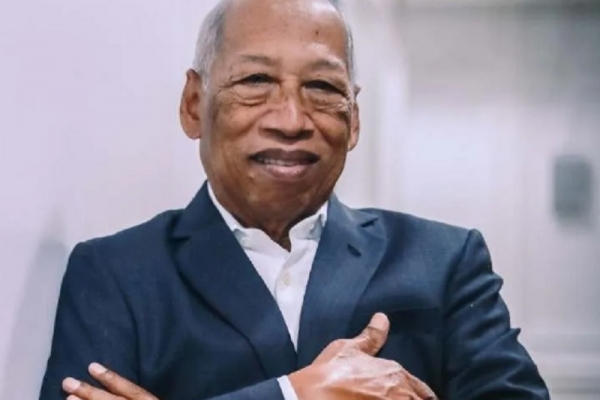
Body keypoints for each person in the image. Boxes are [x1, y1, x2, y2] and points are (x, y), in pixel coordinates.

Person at [39, 0, 550, 399]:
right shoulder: (116, 273)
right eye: (256, 81)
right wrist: (294, 394)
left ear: (354, 118)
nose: (291, 120)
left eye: (322, 87)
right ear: (194, 105)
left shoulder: (443, 260)